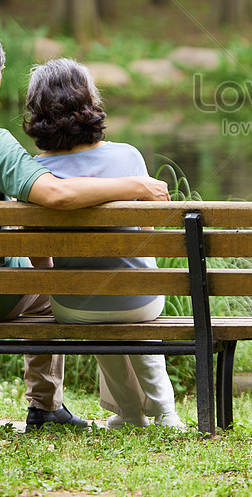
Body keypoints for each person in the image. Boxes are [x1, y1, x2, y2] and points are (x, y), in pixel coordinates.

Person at [0, 23, 170, 431]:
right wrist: (137, 184)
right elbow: (55, 196)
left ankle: (99, 407)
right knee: (51, 281)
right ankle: (45, 405)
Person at [22, 57, 184, 430]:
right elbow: (147, 237)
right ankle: (166, 412)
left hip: (75, 306)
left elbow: (39, 259)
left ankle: (129, 413)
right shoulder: (127, 156)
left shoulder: (35, 172)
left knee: (93, 300)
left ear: (38, 112)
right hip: (140, 301)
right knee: (134, 286)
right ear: (89, 102)